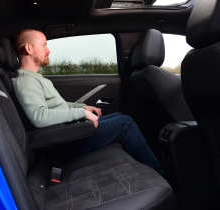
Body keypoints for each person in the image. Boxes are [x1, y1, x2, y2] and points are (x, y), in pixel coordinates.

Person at [12, 29, 161, 173]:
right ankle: (159, 172)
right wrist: (80, 112)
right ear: (29, 48)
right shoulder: (25, 80)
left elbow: (59, 106)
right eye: (44, 45)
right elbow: (39, 117)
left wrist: (83, 107)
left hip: (66, 132)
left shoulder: (35, 78)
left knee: (119, 116)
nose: (48, 50)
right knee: (125, 123)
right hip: (62, 143)